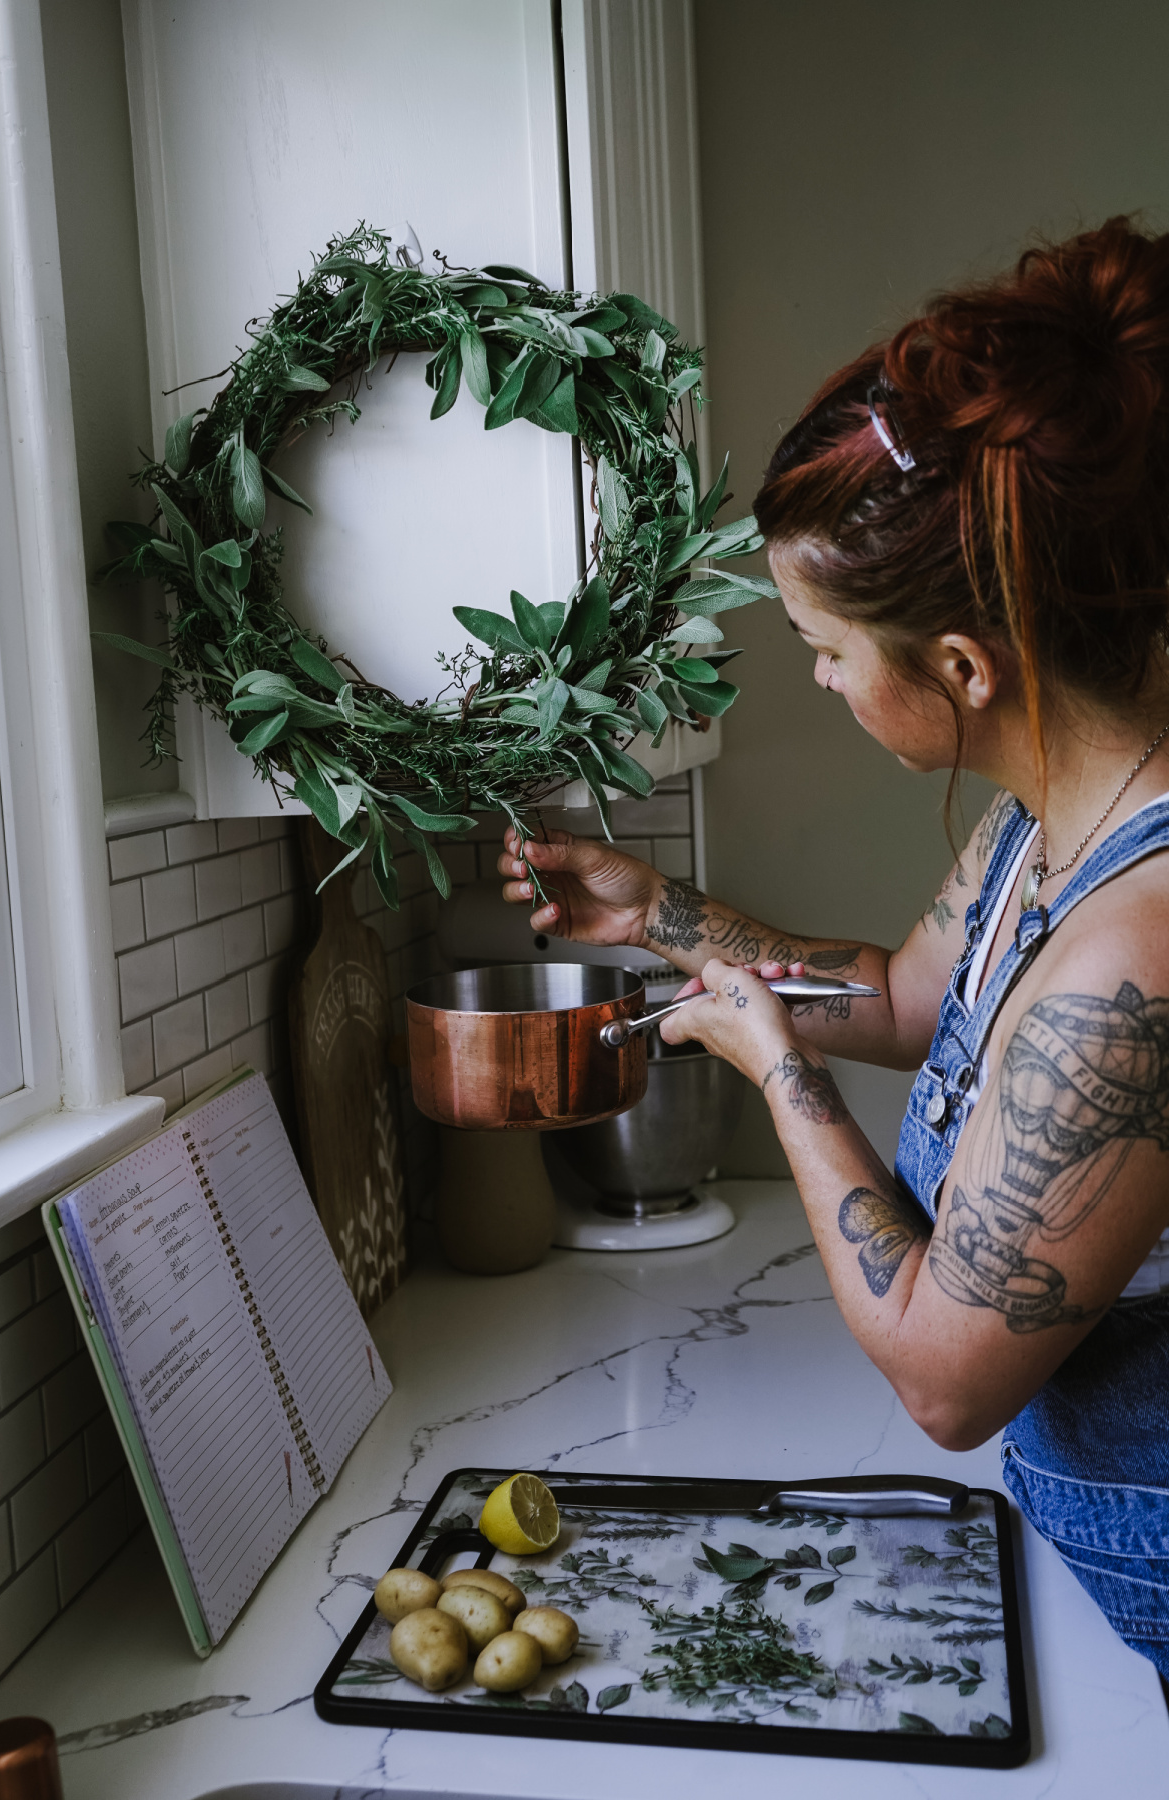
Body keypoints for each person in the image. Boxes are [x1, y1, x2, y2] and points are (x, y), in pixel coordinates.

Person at [497, 218, 1169, 1679]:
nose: (815, 679)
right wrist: (657, 918)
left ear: (964, 667)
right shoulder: (1053, 814)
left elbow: (941, 1377)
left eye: (825, 649)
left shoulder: (1143, 956)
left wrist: (777, 1072)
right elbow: (919, 997)